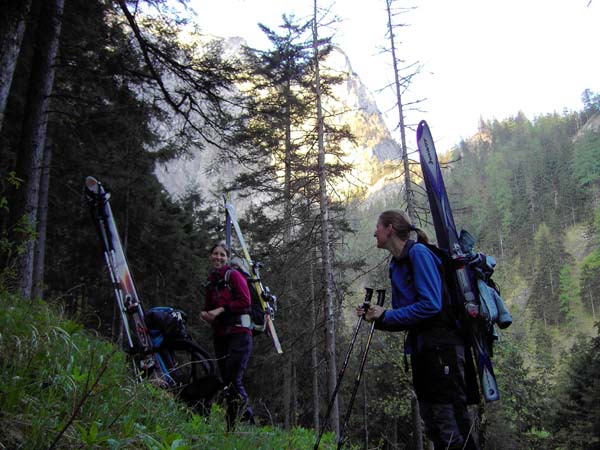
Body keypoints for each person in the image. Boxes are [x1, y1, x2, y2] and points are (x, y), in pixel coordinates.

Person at [357, 210, 480, 450]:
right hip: (423, 352)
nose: (375, 232)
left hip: (444, 349)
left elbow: (431, 305)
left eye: (378, 227)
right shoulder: (396, 264)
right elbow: (409, 315)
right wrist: (378, 317)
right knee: (433, 424)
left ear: (390, 228)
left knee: (450, 425)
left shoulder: (419, 254)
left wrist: (388, 315)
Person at [201, 241, 255, 428]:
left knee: (234, 379)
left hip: (240, 334)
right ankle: (231, 425)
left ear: (227, 258)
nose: (218, 257)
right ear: (210, 256)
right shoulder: (211, 281)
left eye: (222, 255)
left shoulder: (234, 276)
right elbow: (209, 308)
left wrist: (221, 310)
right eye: (215, 254)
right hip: (221, 335)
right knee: (227, 381)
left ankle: (249, 420)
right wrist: (207, 315)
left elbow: (245, 301)